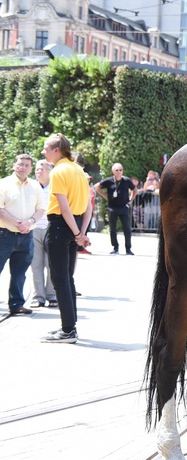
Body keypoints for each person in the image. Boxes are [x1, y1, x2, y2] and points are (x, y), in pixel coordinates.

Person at [41, 133, 93, 343]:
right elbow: (88, 206)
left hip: (61, 227)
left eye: (46, 148)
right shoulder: (78, 170)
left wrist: (78, 233)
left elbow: (63, 208)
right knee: (67, 279)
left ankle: (68, 330)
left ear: (57, 150)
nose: (43, 152)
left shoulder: (59, 171)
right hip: (75, 224)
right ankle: (69, 325)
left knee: (60, 279)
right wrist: (81, 232)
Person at [1, 154, 47, 316]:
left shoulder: (35, 186)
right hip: (4, 235)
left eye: (27, 165)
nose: (23, 167)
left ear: (31, 168)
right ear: (14, 165)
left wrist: (29, 222)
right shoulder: (3, 184)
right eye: (20, 164)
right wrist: (17, 223)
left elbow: (41, 208)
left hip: (26, 236)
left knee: (20, 273)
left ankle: (16, 304)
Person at [28, 160, 56, 308]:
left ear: (50, 171)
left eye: (43, 169)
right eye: (38, 169)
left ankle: (52, 295)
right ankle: (38, 296)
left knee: (51, 264)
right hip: (33, 229)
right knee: (35, 265)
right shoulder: (31, 186)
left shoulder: (55, 186)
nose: (39, 171)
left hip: (50, 228)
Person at [96, 162, 136, 255]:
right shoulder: (109, 181)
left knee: (127, 228)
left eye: (120, 170)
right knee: (112, 228)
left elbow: (135, 190)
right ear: (113, 171)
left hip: (123, 207)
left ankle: (128, 248)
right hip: (112, 207)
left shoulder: (126, 180)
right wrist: (105, 196)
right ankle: (115, 247)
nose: (119, 172)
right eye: (117, 170)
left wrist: (131, 199)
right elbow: (97, 186)